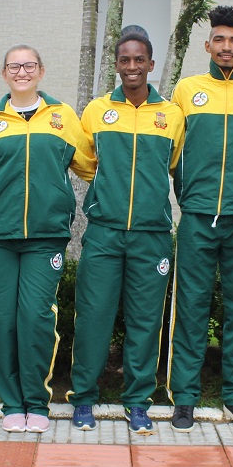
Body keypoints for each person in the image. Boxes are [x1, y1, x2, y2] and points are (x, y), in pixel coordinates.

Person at [0, 45, 95, 434]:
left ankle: (36, 401)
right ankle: (12, 403)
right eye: (14, 66)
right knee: (2, 320)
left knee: (36, 318)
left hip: (45, 237)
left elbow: (89, 164)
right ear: (4, 73)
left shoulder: (62, 116)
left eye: (29, 65)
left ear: (40, 71)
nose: (22, 72)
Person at [69, 26, 185, 434]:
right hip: (104, 231)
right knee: (93, 318)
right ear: (116, 65)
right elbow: (83, 160)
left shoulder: (171, 115)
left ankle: (137, 402)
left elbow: (174, 165)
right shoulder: (97, 111)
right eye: (124, 60)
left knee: (144, 321)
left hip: (151, 235)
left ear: (151, 64)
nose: (132, 66)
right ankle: (83, 399)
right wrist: (107, 188)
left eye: (139, 60)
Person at [166, 5, 233, 432]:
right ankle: (185, 398)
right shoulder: (186, 89)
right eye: (219, 40)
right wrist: (188, 194)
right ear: (207, 44)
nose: (226, 47)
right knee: (190, 306)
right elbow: (174, 151)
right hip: (197, 217)